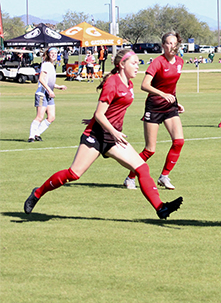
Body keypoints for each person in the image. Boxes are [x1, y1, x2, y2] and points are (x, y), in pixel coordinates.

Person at [23, 49, 183, 219]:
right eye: (134, 63)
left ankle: (160, 208)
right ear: (122, 65)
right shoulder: (112, 83)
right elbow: (100, 114)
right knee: (74, 174)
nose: (138, 67)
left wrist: (174, 105)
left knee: (142, 168)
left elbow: (107, 111)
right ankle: (38, 193)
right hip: (96, 136)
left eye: (138, 63)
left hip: (113, 138)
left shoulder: (128, 84)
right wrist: (112, 130)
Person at [123, 32, 185, 190]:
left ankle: (164, 176)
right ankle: (130, 178)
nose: (172, 46)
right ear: (163, 45)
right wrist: (163, 94)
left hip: (170, 106)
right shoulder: (158, 62)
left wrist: (176, 102)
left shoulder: (180, 62)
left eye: (174, 43)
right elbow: (144, 85)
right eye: (169, 43)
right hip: (154, 107)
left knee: (179, 141)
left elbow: (171, 86)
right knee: (150, 150)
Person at [28, 47, 68, 143]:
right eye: (52, 53)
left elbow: (48, 82)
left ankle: (37, 133)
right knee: (40, 116)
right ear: (48, 54)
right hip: (42, 93)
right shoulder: (45, 64)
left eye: (55, 53)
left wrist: (58, 87)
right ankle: (31, 136)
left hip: (49, 93)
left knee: (51, 117)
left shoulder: (51, 65)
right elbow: (41, 79)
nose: (54, 55)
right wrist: (50, 90)